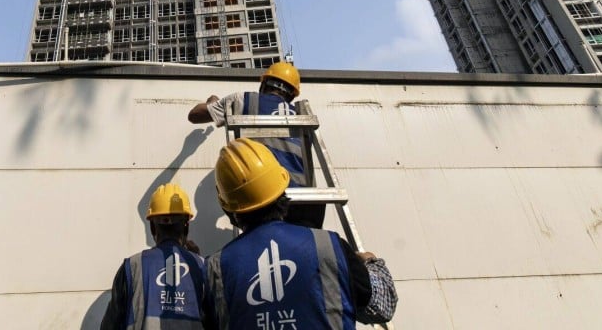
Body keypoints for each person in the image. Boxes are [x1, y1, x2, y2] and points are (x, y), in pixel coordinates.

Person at [202, 138, 397, 330]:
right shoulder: (329, 247)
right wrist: (370, 262)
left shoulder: (216, 267)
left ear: (228, 208)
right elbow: (383, 307)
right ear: (282, 188)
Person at [188, 61, 323, 227]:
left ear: (264, 84)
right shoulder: (301, 115)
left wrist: (213, 104)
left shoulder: (243, 100)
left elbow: (194, 115)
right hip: (303, 203)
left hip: (262, 200)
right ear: (292, 95)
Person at [101, 183, 207, 329]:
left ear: (152, 227)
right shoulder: (203, 267)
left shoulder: (132, 267)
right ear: (186, 226)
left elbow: (110, 325)